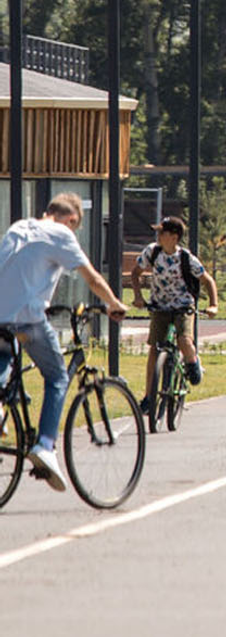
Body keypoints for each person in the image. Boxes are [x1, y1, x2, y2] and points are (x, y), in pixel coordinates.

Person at [0, 193, 126, 490]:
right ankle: (45, 446)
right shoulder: (61, 233)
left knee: (5, 357)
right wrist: (113, 303)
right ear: (71, 219)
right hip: (27, 318)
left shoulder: (19, 227)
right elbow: (92, 279)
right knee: (57, 377)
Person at [130, 214, 218, 415]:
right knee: (154, 349)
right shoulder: (152, 252)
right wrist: (138, 296)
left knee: (184, 340)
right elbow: (136, 273)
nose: (158, 235)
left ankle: (193, 362)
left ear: (174, 237)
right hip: (159, 306)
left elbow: (208, 281)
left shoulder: (186, 258)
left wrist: (213, 305)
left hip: (183, 306)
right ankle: (149, 397)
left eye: (162, 232)